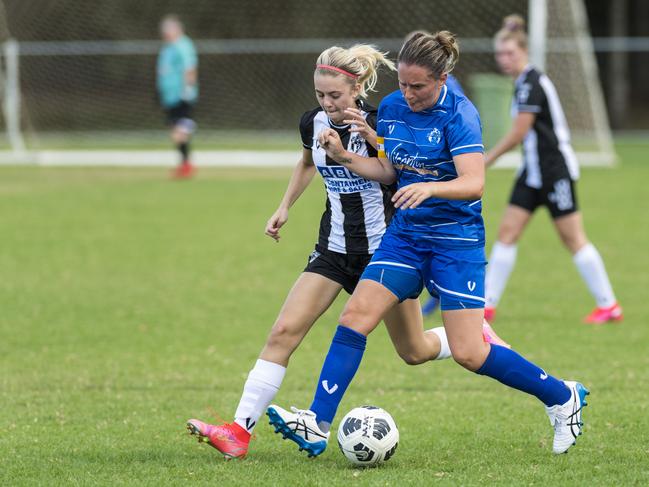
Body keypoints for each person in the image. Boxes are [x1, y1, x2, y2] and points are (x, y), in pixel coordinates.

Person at [267, 30, 588, 457]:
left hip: (455, 242)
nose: (407, 93)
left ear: (442, 78)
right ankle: (317, 423)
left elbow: (474, 183)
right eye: (402, 83)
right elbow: (386, 172)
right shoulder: (395, 108)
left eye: (417, 86)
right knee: (355, 317)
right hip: (405, 238)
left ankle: (561, 396)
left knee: (470, 353)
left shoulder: (460, 114)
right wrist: (345, 156)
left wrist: (430, 190)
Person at [185, 44, 508, 459]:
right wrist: (284, 206)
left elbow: (398, 173)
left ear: (355, 88)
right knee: (283, 332)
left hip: (384, 251)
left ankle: (473, 336)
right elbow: (306, 163)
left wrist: (368, 145)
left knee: (414, 351)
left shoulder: (383, 120)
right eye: (321, 95)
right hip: (333, 249)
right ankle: (238, 432)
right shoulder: (312, 123)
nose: (327, 103)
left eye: (335, 95)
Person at [483, 15, 622, 324]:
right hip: (532, 172)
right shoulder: (521, 84)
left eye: (510, 53)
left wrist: (486, 159)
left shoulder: (532, 83)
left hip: (554, 171)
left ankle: (609, 305)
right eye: (500, 54)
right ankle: (487, 305)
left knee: (572, 238)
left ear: (524, 52)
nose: (504, 60)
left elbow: (519, 132)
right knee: (507, 232)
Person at [157, 14, 199, 179]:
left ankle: (186, 165)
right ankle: (184, 164)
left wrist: (187, 90)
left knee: (180, 131)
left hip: (181, 96)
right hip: (170, 97)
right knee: (176, 131)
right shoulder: (167, 47)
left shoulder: (183, 45)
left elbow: (190, 67)